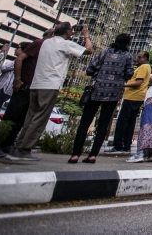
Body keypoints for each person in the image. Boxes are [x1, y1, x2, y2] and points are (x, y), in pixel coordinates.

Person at [7, 22, 92, 161]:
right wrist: (86, 35)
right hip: (50, 84)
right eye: (71, 30)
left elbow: (58, 35)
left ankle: (17, 147)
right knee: (40, 118)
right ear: (66, 32)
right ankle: (24, 149)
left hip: (36, 83)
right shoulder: (65, 44)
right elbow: (89, 50)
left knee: (31, 116)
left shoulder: (46, 43)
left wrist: (68, 31)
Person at [0, 30, 54, 158]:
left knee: (20, 120)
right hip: (25, 85)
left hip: (34, 87)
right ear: (50, 35)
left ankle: (7, 145)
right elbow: (19, 59)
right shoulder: (40, 43)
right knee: (11, 116)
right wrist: (18, 79)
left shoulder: (47, 49)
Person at [69, 33, 135, 163]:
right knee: (103, 125)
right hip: (113, 93)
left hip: (97, 90)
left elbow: (90, 68)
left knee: (85, 122)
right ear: (128, 43)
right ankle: (93, 155)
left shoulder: (105, 52)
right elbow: (129, 73)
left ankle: (75, 154)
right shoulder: (128, 56)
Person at [111, 50, 151, 153]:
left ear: (145, 59)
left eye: (139, 57)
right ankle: (126, 146)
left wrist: (123, 84)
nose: (137, 59)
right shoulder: (146, 67)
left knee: (122, 121)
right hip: (138, 97)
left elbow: (138, 82)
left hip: (132, 96)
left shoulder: (143, 67)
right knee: (130, 122)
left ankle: (118, 145)